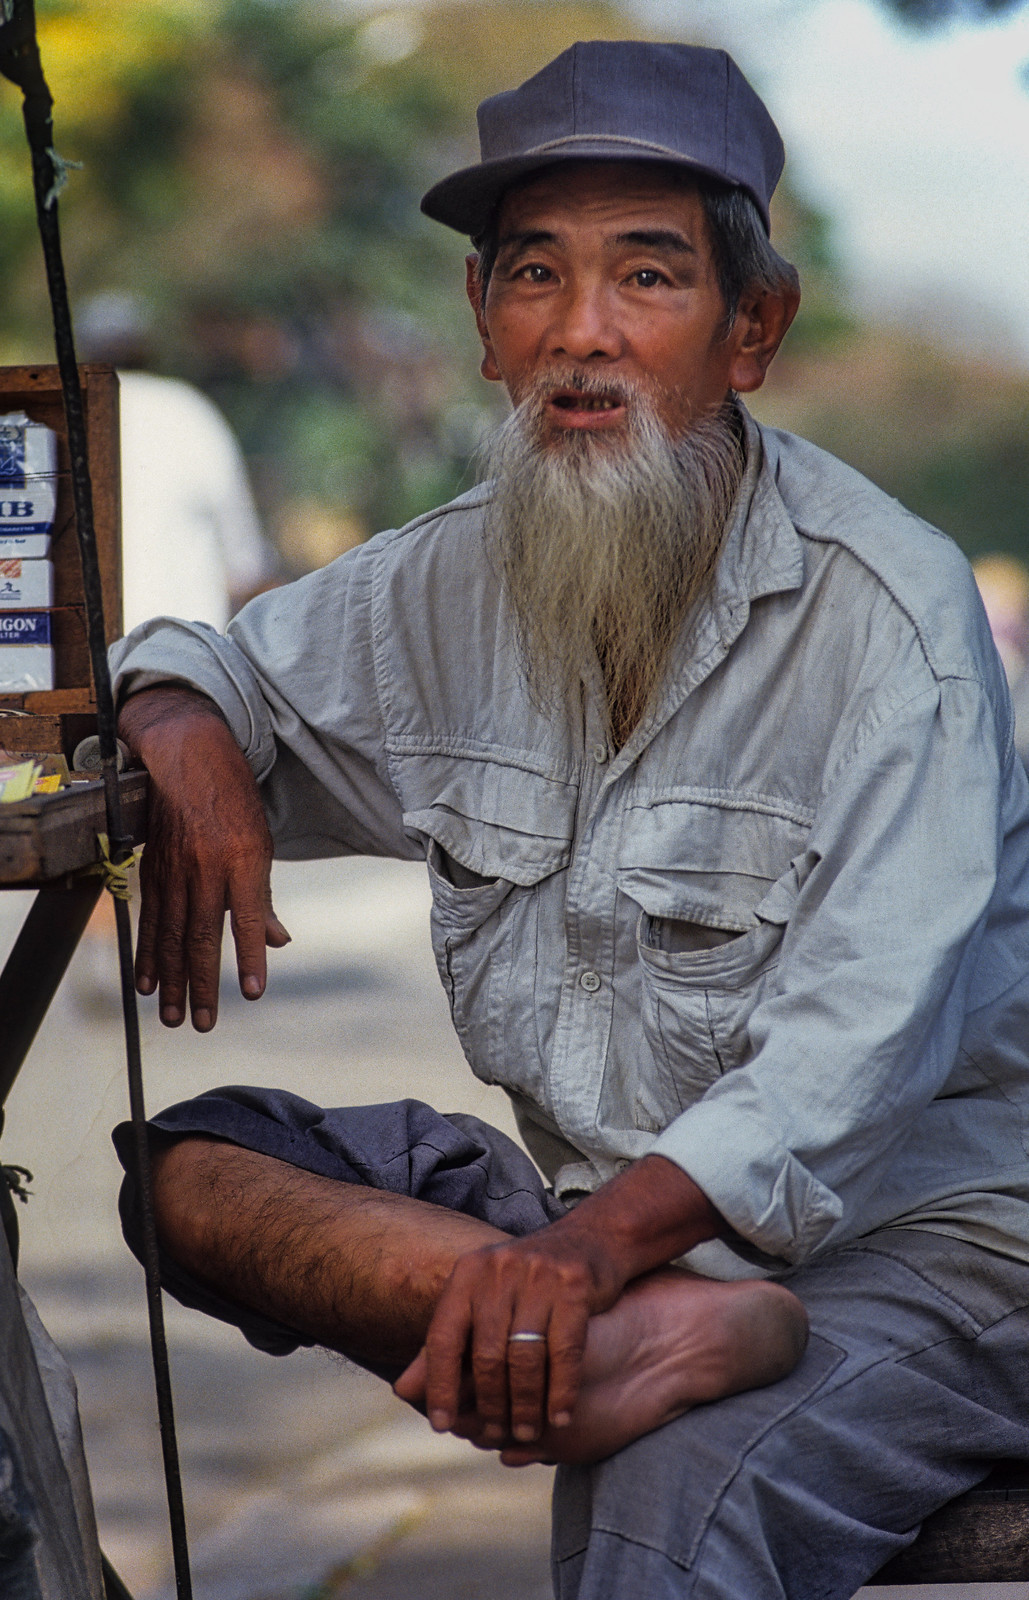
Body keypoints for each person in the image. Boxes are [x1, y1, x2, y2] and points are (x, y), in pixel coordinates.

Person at [109, 42, 1029, 1600]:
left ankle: (620, 1321)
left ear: (753, 328)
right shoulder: (444, 579)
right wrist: (184, 728)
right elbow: (207, 660)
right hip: (612, 1232)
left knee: (661, 1513)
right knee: (192, 1172)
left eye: (647, 278)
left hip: (926, 1243)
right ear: (481, 321)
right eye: (535, 274)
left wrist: (585, 1255)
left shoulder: (894, 616)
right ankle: (616, 1329)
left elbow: (846, 1060)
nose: (581, 335)